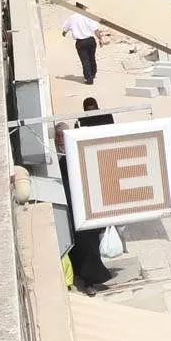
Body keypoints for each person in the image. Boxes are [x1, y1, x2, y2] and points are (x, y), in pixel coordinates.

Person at [55, 122, 113, 296]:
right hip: (67, 213)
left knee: (89, 247)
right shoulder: (54, 159)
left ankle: (90, 282)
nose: (61, 140)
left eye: (63, 136)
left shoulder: (81, 156)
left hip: (85, 212)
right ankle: (78, 277)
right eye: (58, 137)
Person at [62, 13, 103, 85]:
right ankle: (93, 73)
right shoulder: (88, 16)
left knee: (85, 60)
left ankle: (89, 78)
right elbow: (96, 30)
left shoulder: (72, 17)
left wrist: (64, 33)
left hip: (80, 42)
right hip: (90, 40)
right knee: (92, 57)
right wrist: (100, 39)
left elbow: (65, 29)